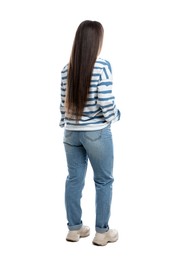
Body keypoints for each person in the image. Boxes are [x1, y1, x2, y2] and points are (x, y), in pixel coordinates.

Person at [59, 20, 121, 246]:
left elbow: (62, 103)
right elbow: (106, 102)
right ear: (96, 41)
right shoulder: (102, 65)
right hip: (96, 133)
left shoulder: (67, 68)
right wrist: (115, 115)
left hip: (70, 132)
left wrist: (65, 123)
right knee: (104, 181)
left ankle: (74, 229)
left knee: (74, 180)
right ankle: (102, 233)